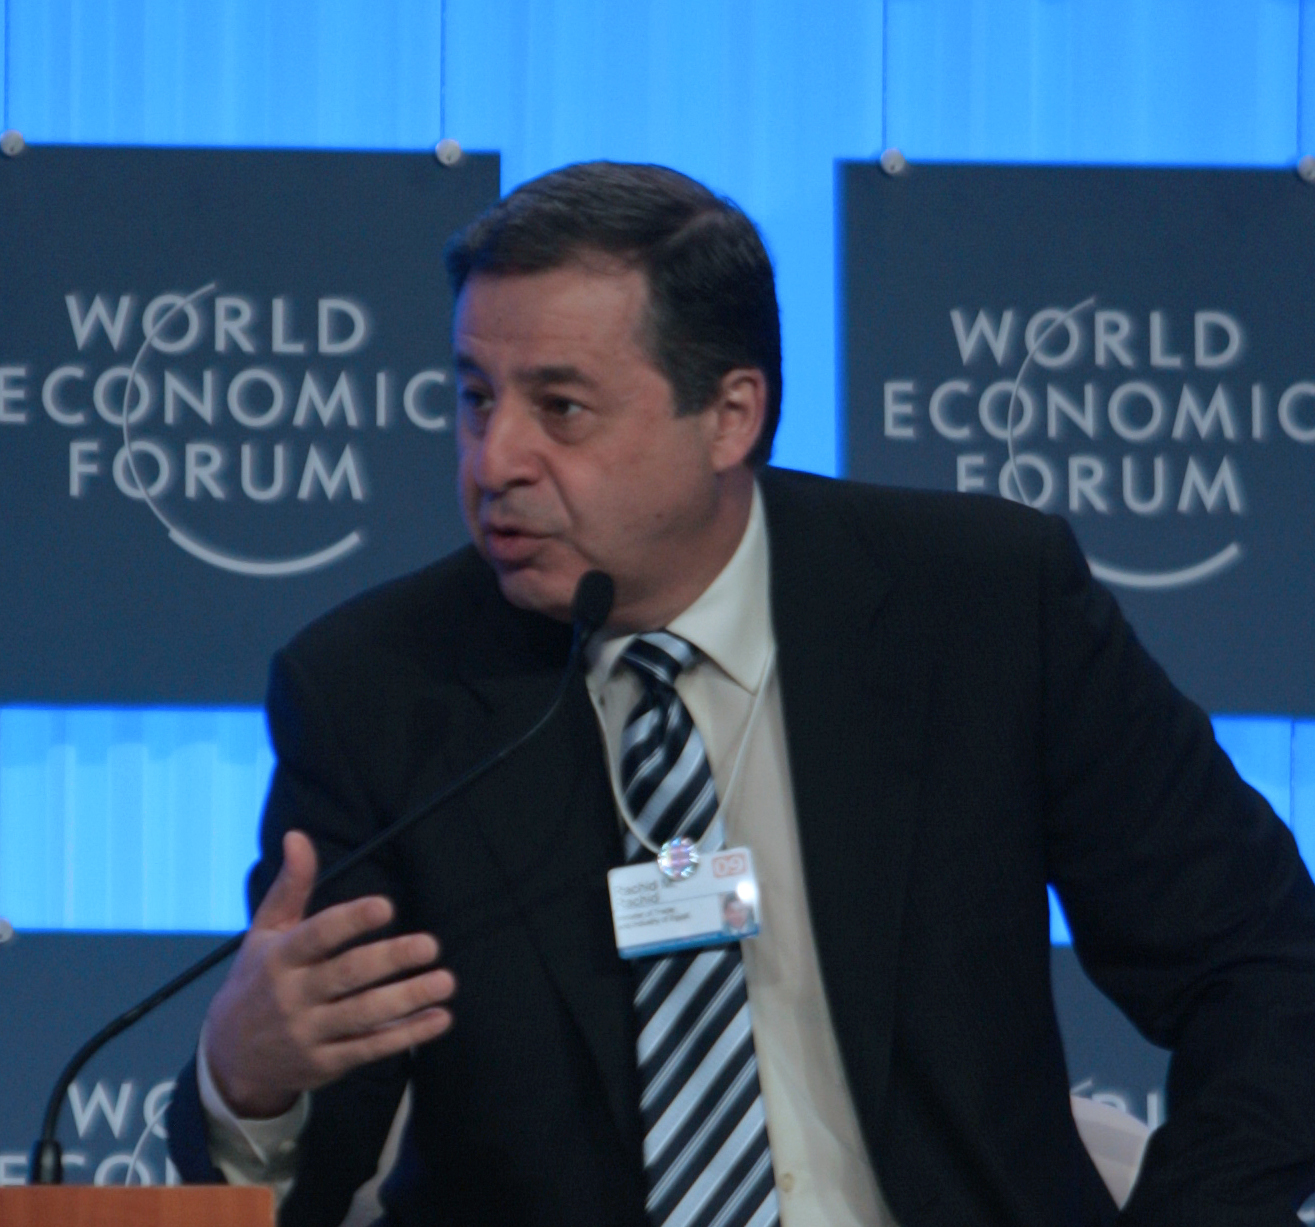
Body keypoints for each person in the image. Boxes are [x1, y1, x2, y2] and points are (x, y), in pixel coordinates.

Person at [169, 161, 1315, 1226]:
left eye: (560, 408)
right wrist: (249, 1080)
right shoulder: (381, 687)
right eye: (475, 398)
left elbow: (1268, 968)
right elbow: (311, 1164)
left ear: (730, 414)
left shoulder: (980, 610)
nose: (494, 459)